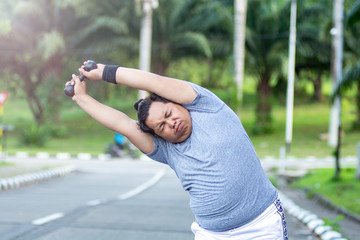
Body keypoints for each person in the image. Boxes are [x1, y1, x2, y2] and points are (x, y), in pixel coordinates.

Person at [65, 61, 288, 240]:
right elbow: (122, 124)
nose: (171, 123)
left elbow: (153, 81)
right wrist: (82, 98)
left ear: (177, 102)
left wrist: (104, 71)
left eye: (169, 113)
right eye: (161, 126)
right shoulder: (167, 149)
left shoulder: (207, 106)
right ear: (160, 136)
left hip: (261, 227)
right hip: (211, 234)